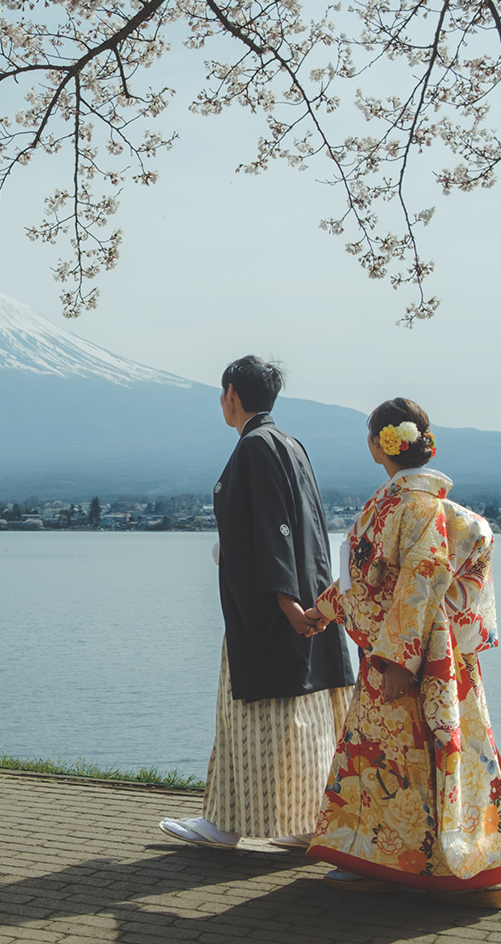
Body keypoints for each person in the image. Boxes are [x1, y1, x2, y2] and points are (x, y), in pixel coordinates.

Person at [304, 398, 501, 908]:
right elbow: (372, 581)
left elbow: (418, 584)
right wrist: (326, 609)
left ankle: (441, 870)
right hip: (415, 655)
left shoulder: (410, 506)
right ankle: (385, 859)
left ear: (381, 445)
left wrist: (398, 660)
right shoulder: (406, 503)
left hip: (410, 662)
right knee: (397, 761)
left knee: (409, 760)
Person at [159, 356, 355, 850]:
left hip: (269, 609)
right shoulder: (291, 444)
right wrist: (312, 602)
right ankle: (304, 821)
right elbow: (302, 531)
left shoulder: (254, 447)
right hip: (308, 601)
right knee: (304, 719)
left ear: (231, 394)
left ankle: (225, 825)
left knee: (244, 715)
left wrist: (285, 602)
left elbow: (272, 530)